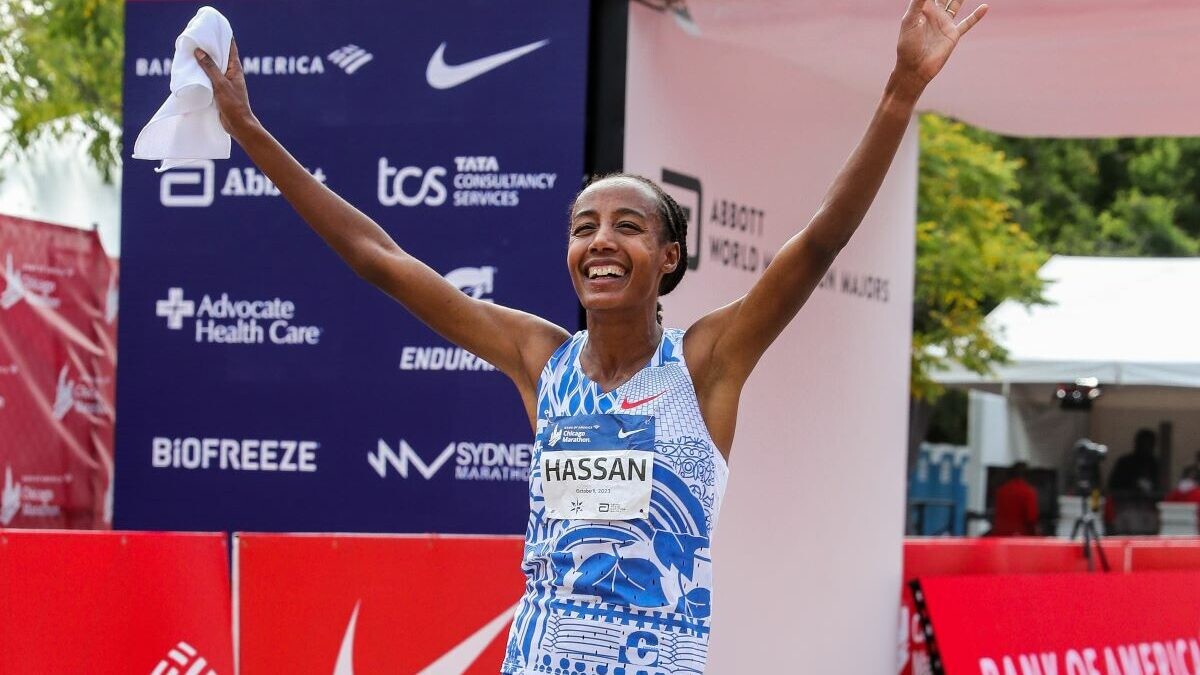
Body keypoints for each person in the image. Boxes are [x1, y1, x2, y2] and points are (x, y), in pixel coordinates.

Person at [193, 1, 987, 672]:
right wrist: (250, 130)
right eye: (584, 227)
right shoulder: (541, 360)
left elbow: (817, 245)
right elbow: (383, 260)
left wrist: (900, 91)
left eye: (627, 225)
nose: (601, 240)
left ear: (669, 257)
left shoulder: (706, 364)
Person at [991, 462, 1039, 536]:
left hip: (1000, 534)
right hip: (1019, 535)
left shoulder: (1001, 490)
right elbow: (1031, 518)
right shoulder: (1028, 491)